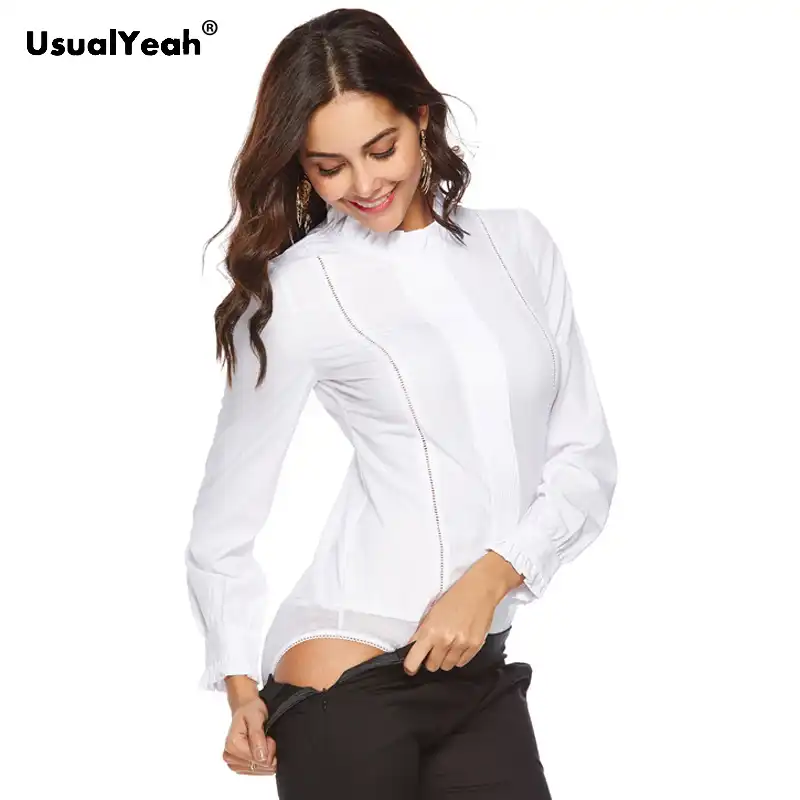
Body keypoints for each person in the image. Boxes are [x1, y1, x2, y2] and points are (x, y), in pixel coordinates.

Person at [184, 8, 618, 799]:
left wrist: (494, 575)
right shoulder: (298, 290)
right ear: (302, 168)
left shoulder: (519, 245)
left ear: (421, 118)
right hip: (348, 677)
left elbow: (584, 460)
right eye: (329, 166)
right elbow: (226, 519)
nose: (363, 185)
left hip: (479, 668)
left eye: (381, 149)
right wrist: (239, 683)